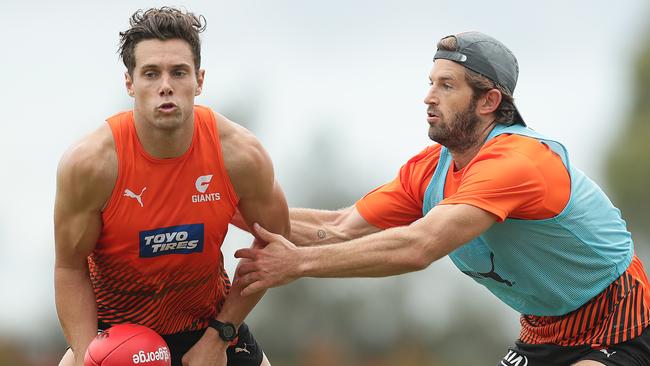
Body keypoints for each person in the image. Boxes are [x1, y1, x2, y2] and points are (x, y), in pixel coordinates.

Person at [233, 32, 650, 365]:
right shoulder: (429, 170)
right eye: (430, 83)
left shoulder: (516, 162)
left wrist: (298, 263)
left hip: (624, 319)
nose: (428, 97)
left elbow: (419, 246)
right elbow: (339, 228)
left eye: (447, 86)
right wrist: (222, 204)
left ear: (489, 102)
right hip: (544, 330)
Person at [54, 7, 289, 366]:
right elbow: (70, 269)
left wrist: (221, 335)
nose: (166, 85)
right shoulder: (91, 164)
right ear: (130, 83)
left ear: (199, 80)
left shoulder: (240, 155)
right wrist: (93, 358)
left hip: (207, 327)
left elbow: (275, 248)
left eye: (178, 72)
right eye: (150, 73)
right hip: (115, 333)